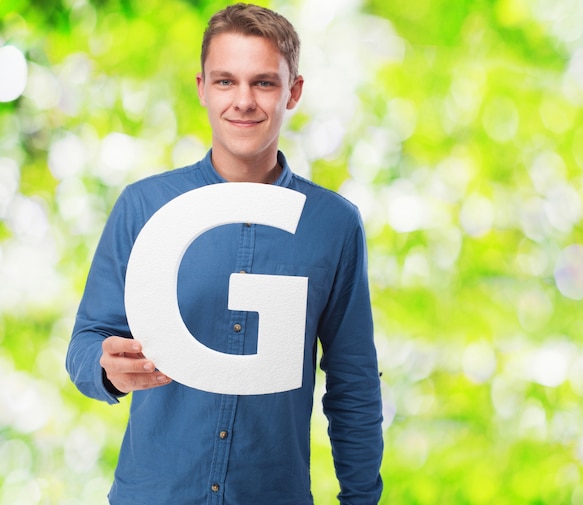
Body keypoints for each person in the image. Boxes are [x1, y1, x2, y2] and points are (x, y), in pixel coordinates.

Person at [66, 3, 383, 504]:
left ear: (293, 92)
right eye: (225, 81)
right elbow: (85, 343)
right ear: (202, 89)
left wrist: (361, 499)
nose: (243, 101)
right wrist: (104, 367)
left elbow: (354, 384)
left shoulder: (334, 225)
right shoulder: (144, 207)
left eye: (263, 82)